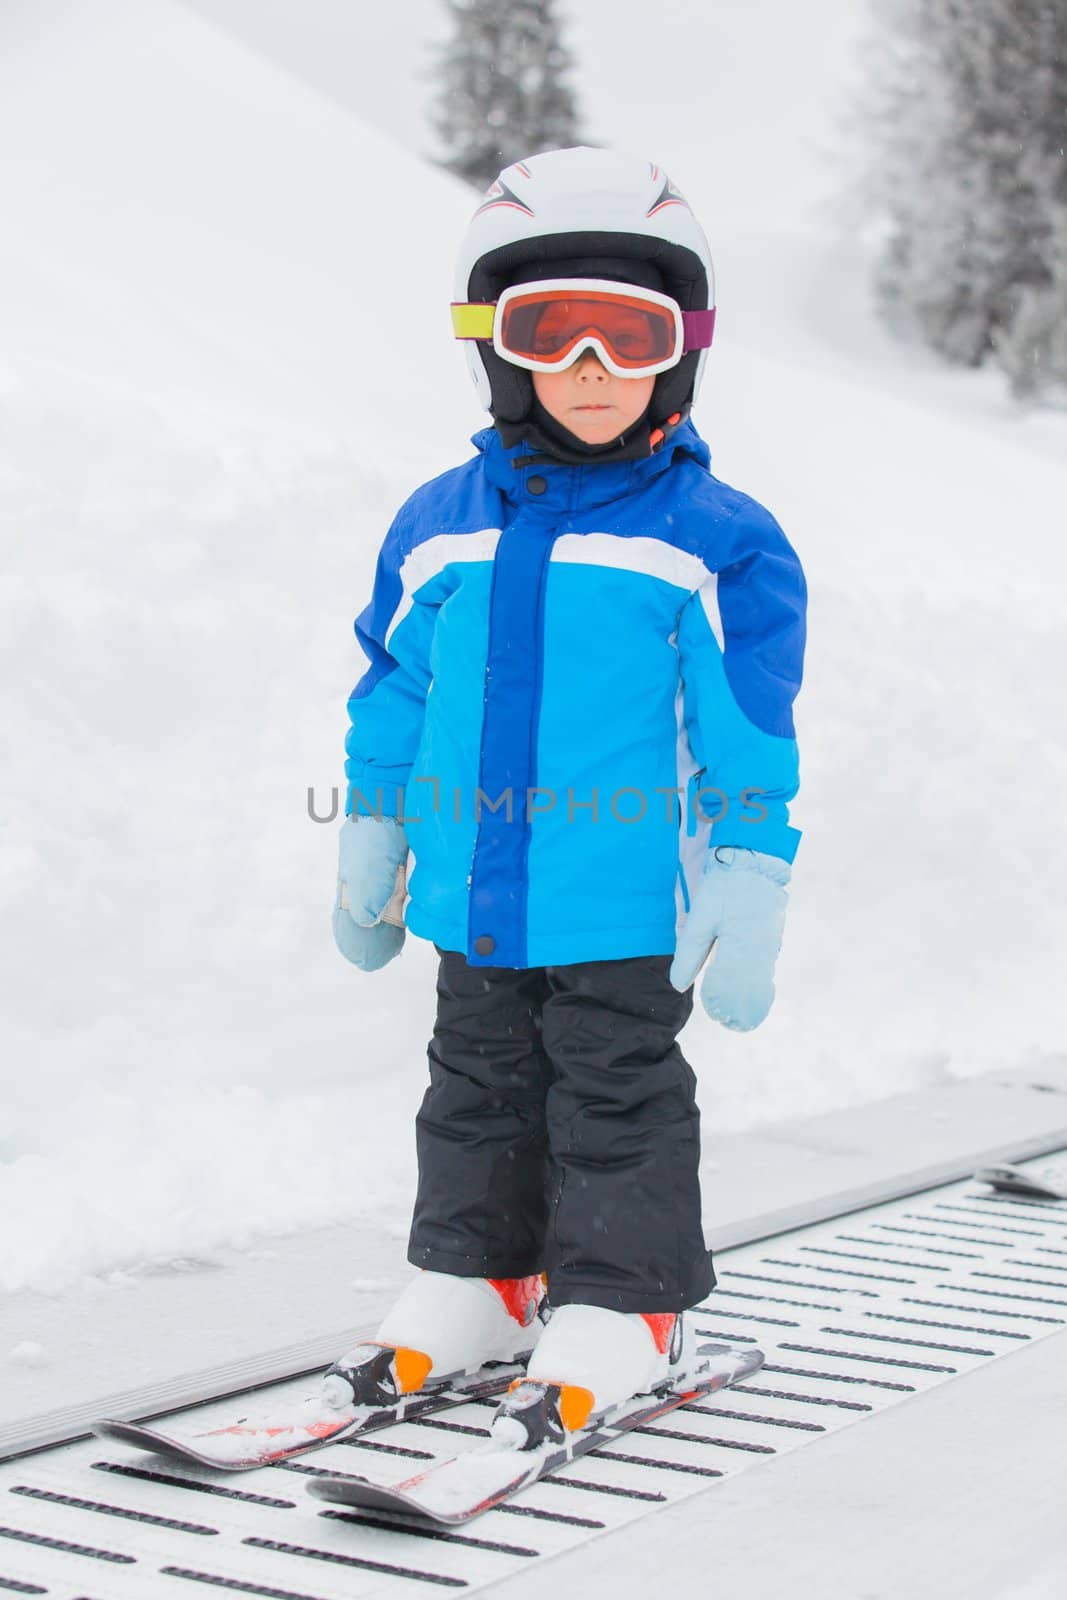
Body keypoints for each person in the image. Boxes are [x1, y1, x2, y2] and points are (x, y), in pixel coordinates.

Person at [331, 147, 806, 1441]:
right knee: (471, 1085)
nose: (592, 367)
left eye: (629, 333)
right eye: (554, 329)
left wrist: (750, 866)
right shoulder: (438, 522)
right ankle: (480, 1278)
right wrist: (371, 822)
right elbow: (395, 683)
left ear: (681, 350)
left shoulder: (716, 538)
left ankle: (627, 1302)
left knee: (614, 1095)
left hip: (620, 902)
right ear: (498, 344)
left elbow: (748, 727)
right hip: (473, 896)